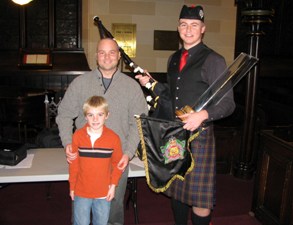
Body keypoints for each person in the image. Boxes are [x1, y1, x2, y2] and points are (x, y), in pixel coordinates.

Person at [135, 5, 235, 225]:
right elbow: (172, 97)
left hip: (200, 137)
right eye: (183, 24)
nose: (188, 29)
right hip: (175, 134)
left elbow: (228, 104)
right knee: (177, 189)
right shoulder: (173, 58)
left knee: (200, 198)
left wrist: (203, 115)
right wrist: (151, 83)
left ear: (203, 29)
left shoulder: (213, 60)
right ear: (178, 28)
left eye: (194, 25)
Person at [56, 38, 148, 225]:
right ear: (96, 56)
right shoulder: (80, 83)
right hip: (84, 160)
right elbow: (64, 115)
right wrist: (67, 143)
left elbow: (139, 123)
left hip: (117, 161)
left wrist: (128, 153)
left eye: (112, 52)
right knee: (81, 212)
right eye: (102, 52)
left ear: (119, 56)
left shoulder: (131, 87)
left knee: (112, 211)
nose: (107, 57)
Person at [69, 95, 123, 225]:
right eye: (90, 115)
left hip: (103, 192)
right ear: (85, 116)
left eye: (100, 114)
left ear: (107, 115)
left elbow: (117, 164)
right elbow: (74, 164)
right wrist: (72, 186)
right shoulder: (78, 136)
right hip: (81, 191)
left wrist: (113, 186)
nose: (95, 119)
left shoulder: (114, 138)